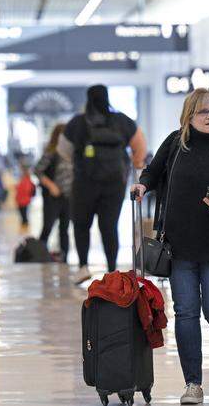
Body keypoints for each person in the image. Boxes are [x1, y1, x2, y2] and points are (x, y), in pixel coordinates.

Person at [131, 88, 209, 405]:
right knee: (186, 313)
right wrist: (143, 185)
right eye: (203, 111)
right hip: (181, 244)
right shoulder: (177, 143)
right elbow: (154, 169)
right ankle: (193, 384)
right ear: (189, 116)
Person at [64, 84, 148, 284]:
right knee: (109, 226)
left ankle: (83, 267)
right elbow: (140, 146)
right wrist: (135, 165)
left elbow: (63, 150)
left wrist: (77, 163)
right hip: (114, 184)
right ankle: (111, 270)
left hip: (84, 183)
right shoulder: (122, 121)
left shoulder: (77, 122)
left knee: (81, 224)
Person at [34, 123, 71, 261]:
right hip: (52, 197)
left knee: (64, 229)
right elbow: (37, 170)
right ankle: (38, 255)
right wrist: (51, 186)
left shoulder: (72, 152)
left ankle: (64, 258)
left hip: (68, 197)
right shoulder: (51, 151)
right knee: (48, 227)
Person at [15, 164, 35, 231]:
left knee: (24, 214)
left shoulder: (26, 180)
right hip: (21, 200)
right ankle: (24, 226)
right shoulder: (23, 179)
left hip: (24, 200)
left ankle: (25, 227)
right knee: (23, 214)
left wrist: (18, 188)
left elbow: (25, 190)